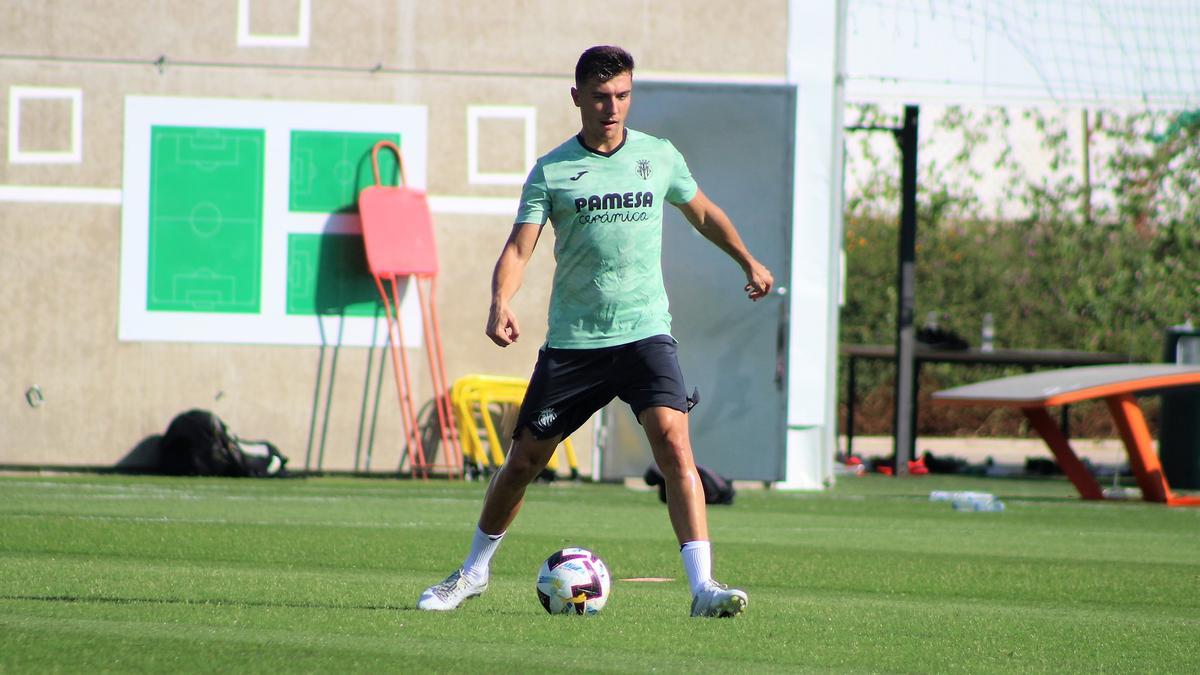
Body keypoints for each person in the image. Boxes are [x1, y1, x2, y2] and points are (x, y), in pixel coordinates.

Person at [418, 45, 773, 618]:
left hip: (645, 333)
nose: (613, 108)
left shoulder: (658, 156)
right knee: (523, 462)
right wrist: (500, 301)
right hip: (576, 343)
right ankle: (472, 572)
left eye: (623, 96)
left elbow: (704, 212)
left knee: (674, 443)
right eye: (602, 97)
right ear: (577, 97)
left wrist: (747, 261)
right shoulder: (552, 170)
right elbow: (519, 248)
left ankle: (703, 587)